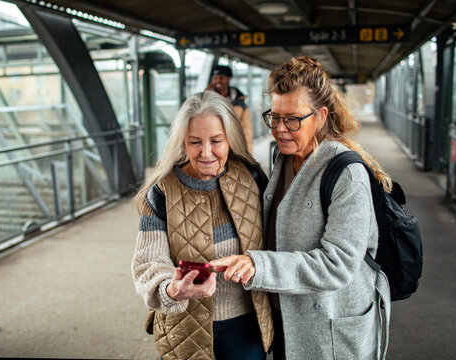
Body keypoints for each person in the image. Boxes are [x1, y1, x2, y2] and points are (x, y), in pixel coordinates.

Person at [210, 56, 391, 360]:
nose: (280, 129)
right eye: (275, 117)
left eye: (292, 119)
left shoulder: (346, 174)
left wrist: (259, 265)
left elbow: (339, 264)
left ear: (321, 116)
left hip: (330, 328)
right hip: (289, 317)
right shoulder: (282, 158)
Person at [131, 91, 273, 360]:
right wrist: (172, 290)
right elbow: (148, 264)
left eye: (216, 141)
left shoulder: (252, 177)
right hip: (183, 331)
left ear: (231, 138)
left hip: (247, 329)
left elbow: (275, 243)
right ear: (182, 142)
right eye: (195, 142)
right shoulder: (161, 192)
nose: (206, 153)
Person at [206, 65, 253, 153]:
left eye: (221, 77)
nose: (218, 81)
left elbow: (247, 132)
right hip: (211, 151)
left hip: (234, 150)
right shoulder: (205, 101)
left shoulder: (241, 103)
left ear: (229, 78)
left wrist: (248, 155)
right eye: (215, 78)